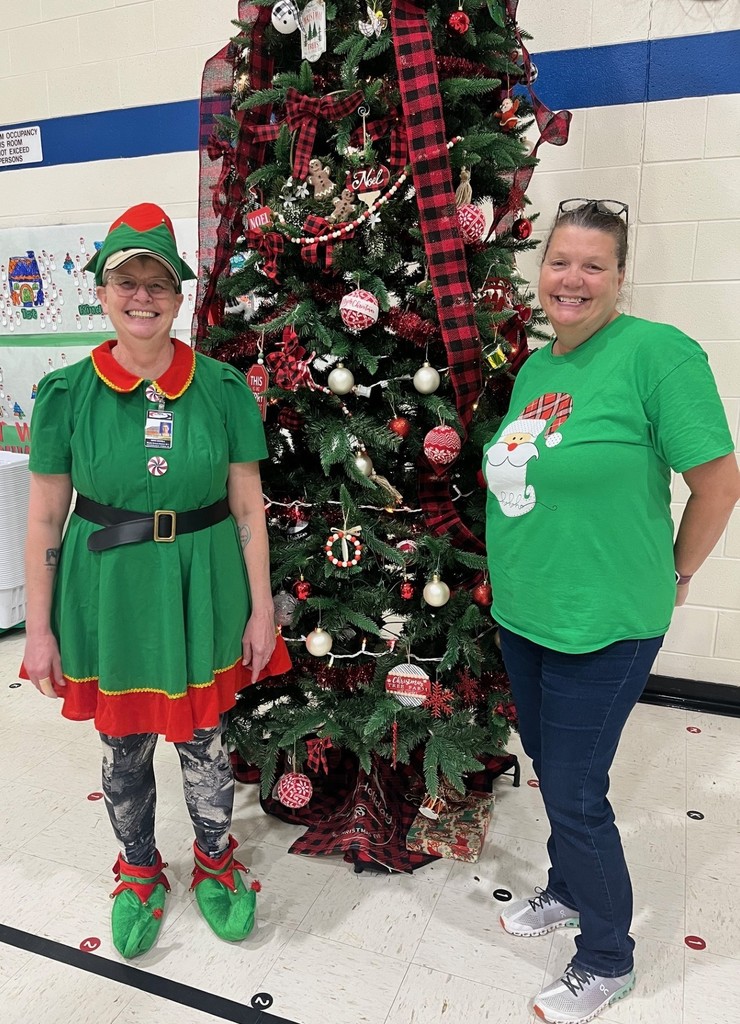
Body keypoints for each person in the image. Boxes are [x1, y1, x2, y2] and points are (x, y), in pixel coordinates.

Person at [483, 198, 740, 1024]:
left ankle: (606, 958)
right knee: (549, 767)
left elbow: (719, 482)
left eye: (594, 265)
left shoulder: (658, 356)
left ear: (620, 277)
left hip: (607, 621)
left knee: (575, 788)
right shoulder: (536, 369)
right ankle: (565, 888)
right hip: (526, 614)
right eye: (560, 261)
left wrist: (676, 572)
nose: (573, 279)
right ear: (541, 270)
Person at [22, 204, 290, 960]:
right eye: (126, 281)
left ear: (179, 296)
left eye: (159, 282)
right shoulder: (67, 395)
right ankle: (139, 870)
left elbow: (247, 504)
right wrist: (39, 631)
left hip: (201, 589)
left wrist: (261, 607)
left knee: (205, 740)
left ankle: (213, 859)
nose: (143, 296)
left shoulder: (224, 389)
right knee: (124, 744)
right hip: (105, 594)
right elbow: (45, 519)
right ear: (102, 294)